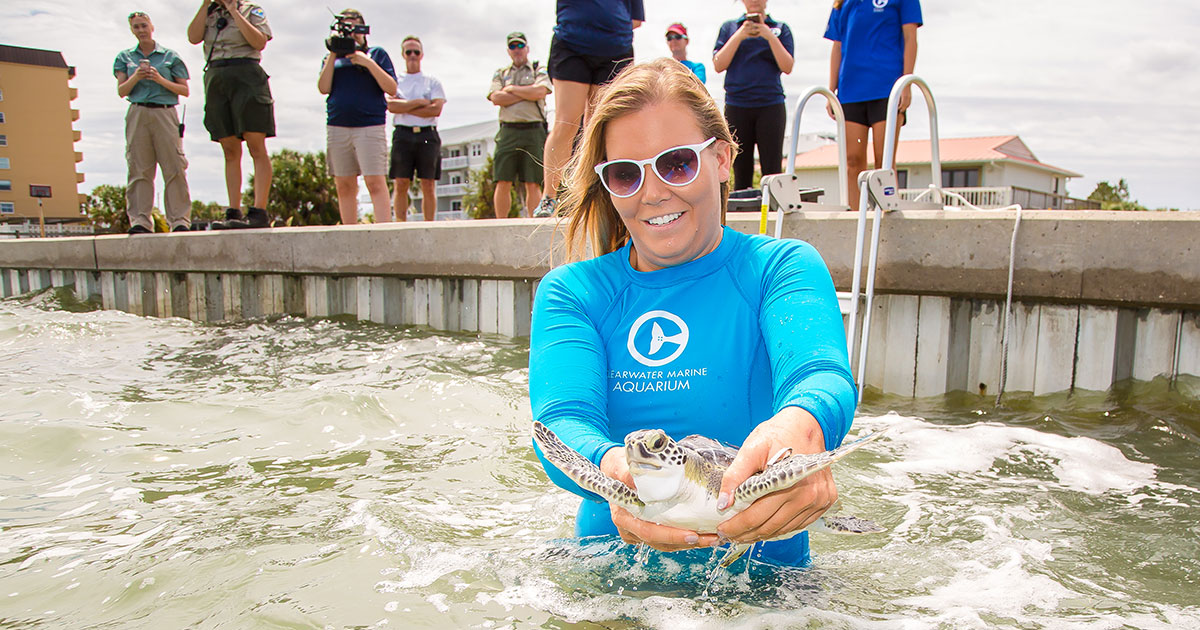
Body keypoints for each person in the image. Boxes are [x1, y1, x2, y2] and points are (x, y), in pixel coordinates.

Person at [528, 59, 856, 567]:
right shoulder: (573, 293)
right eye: (625, 174)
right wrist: (617, 471)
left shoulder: (779, 268)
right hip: (606, 587)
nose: (653, 191)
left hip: (770, 593)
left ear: (722, 160)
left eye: (676, 163)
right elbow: (562, 424)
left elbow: (820, 379)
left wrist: (801, 431)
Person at [535, 0, 645, 218]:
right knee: (566, 122)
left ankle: (597, 197)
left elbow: (635, 20)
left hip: (616, 48)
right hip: (571, 44)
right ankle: (549, 197)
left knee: (604, 127)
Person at [825, 0, 922, 210]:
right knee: (852, 161)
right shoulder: (842, 4)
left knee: (884, 161)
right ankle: (856, 217)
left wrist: (907, 82)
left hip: (886, 88)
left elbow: (910, 37)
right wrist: (831, 90)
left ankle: (886, 215)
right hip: (851, 90)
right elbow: (837, 46)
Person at [187, 0, 274, 230]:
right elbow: (193, 37)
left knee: (256, 144)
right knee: (229, 147)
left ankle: (259, 211)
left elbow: (259, 41)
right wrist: (206, 5)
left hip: (247, 74)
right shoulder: (210, 11)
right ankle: (233, 210)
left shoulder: (251, 9)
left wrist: (234, 11)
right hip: (216, 74)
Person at [317, 8, 398, 225]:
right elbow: (323, 88)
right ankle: (350, 232)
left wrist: (367, 63)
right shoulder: (330, 58)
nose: (351, 34)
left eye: (355, 28)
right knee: (344, 183)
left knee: (374, 181)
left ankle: (384, 231)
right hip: (338, 126)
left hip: (369, 126)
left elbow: (391, 88)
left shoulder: (376, 54)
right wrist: (334, 53)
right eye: (346, 28)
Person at [114, 11, 192, 234]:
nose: (141, 30)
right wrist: (136, 76)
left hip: (165, 113)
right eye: (136, 27)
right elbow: (121, 90)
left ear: (152, 27)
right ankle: (140, 220)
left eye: (144, 26)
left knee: (174, 167)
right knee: (139, 168)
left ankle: (179, 221)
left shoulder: (170, 56)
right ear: (132, 30)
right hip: (138, 112)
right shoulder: (124, 57)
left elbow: (184, 89)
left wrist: (159, 78)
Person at [713, 0, 794, 192]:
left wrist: (768, 34)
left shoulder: (780, 29)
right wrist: (740, 35)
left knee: (772, 169)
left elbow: (787, 66)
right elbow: (718, 64)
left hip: (770, 105)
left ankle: (774, 216)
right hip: (737, 105)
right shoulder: (729, 28)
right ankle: (743, 214)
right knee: (740, 169)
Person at [487, 32, 552, 219]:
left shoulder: (537, 69)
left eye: (520, 46)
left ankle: (534, 221)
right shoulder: (501, 73)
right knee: (503, 180)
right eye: (513, 47)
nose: (517, 50)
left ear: (527, 48)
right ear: (509, 50)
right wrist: (526, 94)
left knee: (533, 182)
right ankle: (500, 223)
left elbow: (540, 91)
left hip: (534, 130)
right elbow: (496, 97)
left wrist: (512, 91)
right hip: (508, 130)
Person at [386, 36, 445, 222]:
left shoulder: (432, 81)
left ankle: (429, 225)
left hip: (427, 135)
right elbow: (392, 107)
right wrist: (420, 103)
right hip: (403, 134)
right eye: (408, 52)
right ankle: (401, 225)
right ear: (403, 54)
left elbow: (436, 110)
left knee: (428, 184)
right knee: (401, 182)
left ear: (422, 54)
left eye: (416, 52)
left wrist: (406, 106)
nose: (412, 55)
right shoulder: (395, 81)